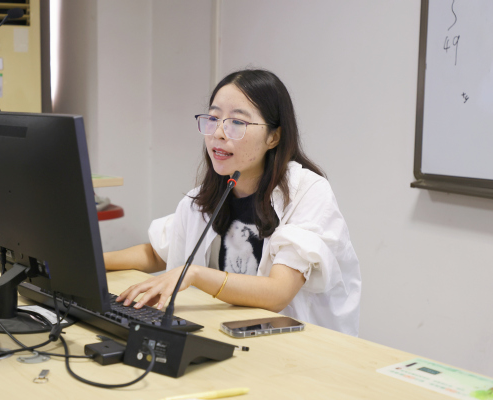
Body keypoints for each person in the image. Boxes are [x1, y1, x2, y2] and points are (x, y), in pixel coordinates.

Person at [104, 69, 361, 336]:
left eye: (237, 123)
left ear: (273, 136)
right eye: (213, 119)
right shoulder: (206, 196)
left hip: (300, 345)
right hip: (225, 335)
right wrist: (93, 261)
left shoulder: (307, 192)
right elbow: (157, 253)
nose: (218, 133)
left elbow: (278, 293)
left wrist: (195, 274)